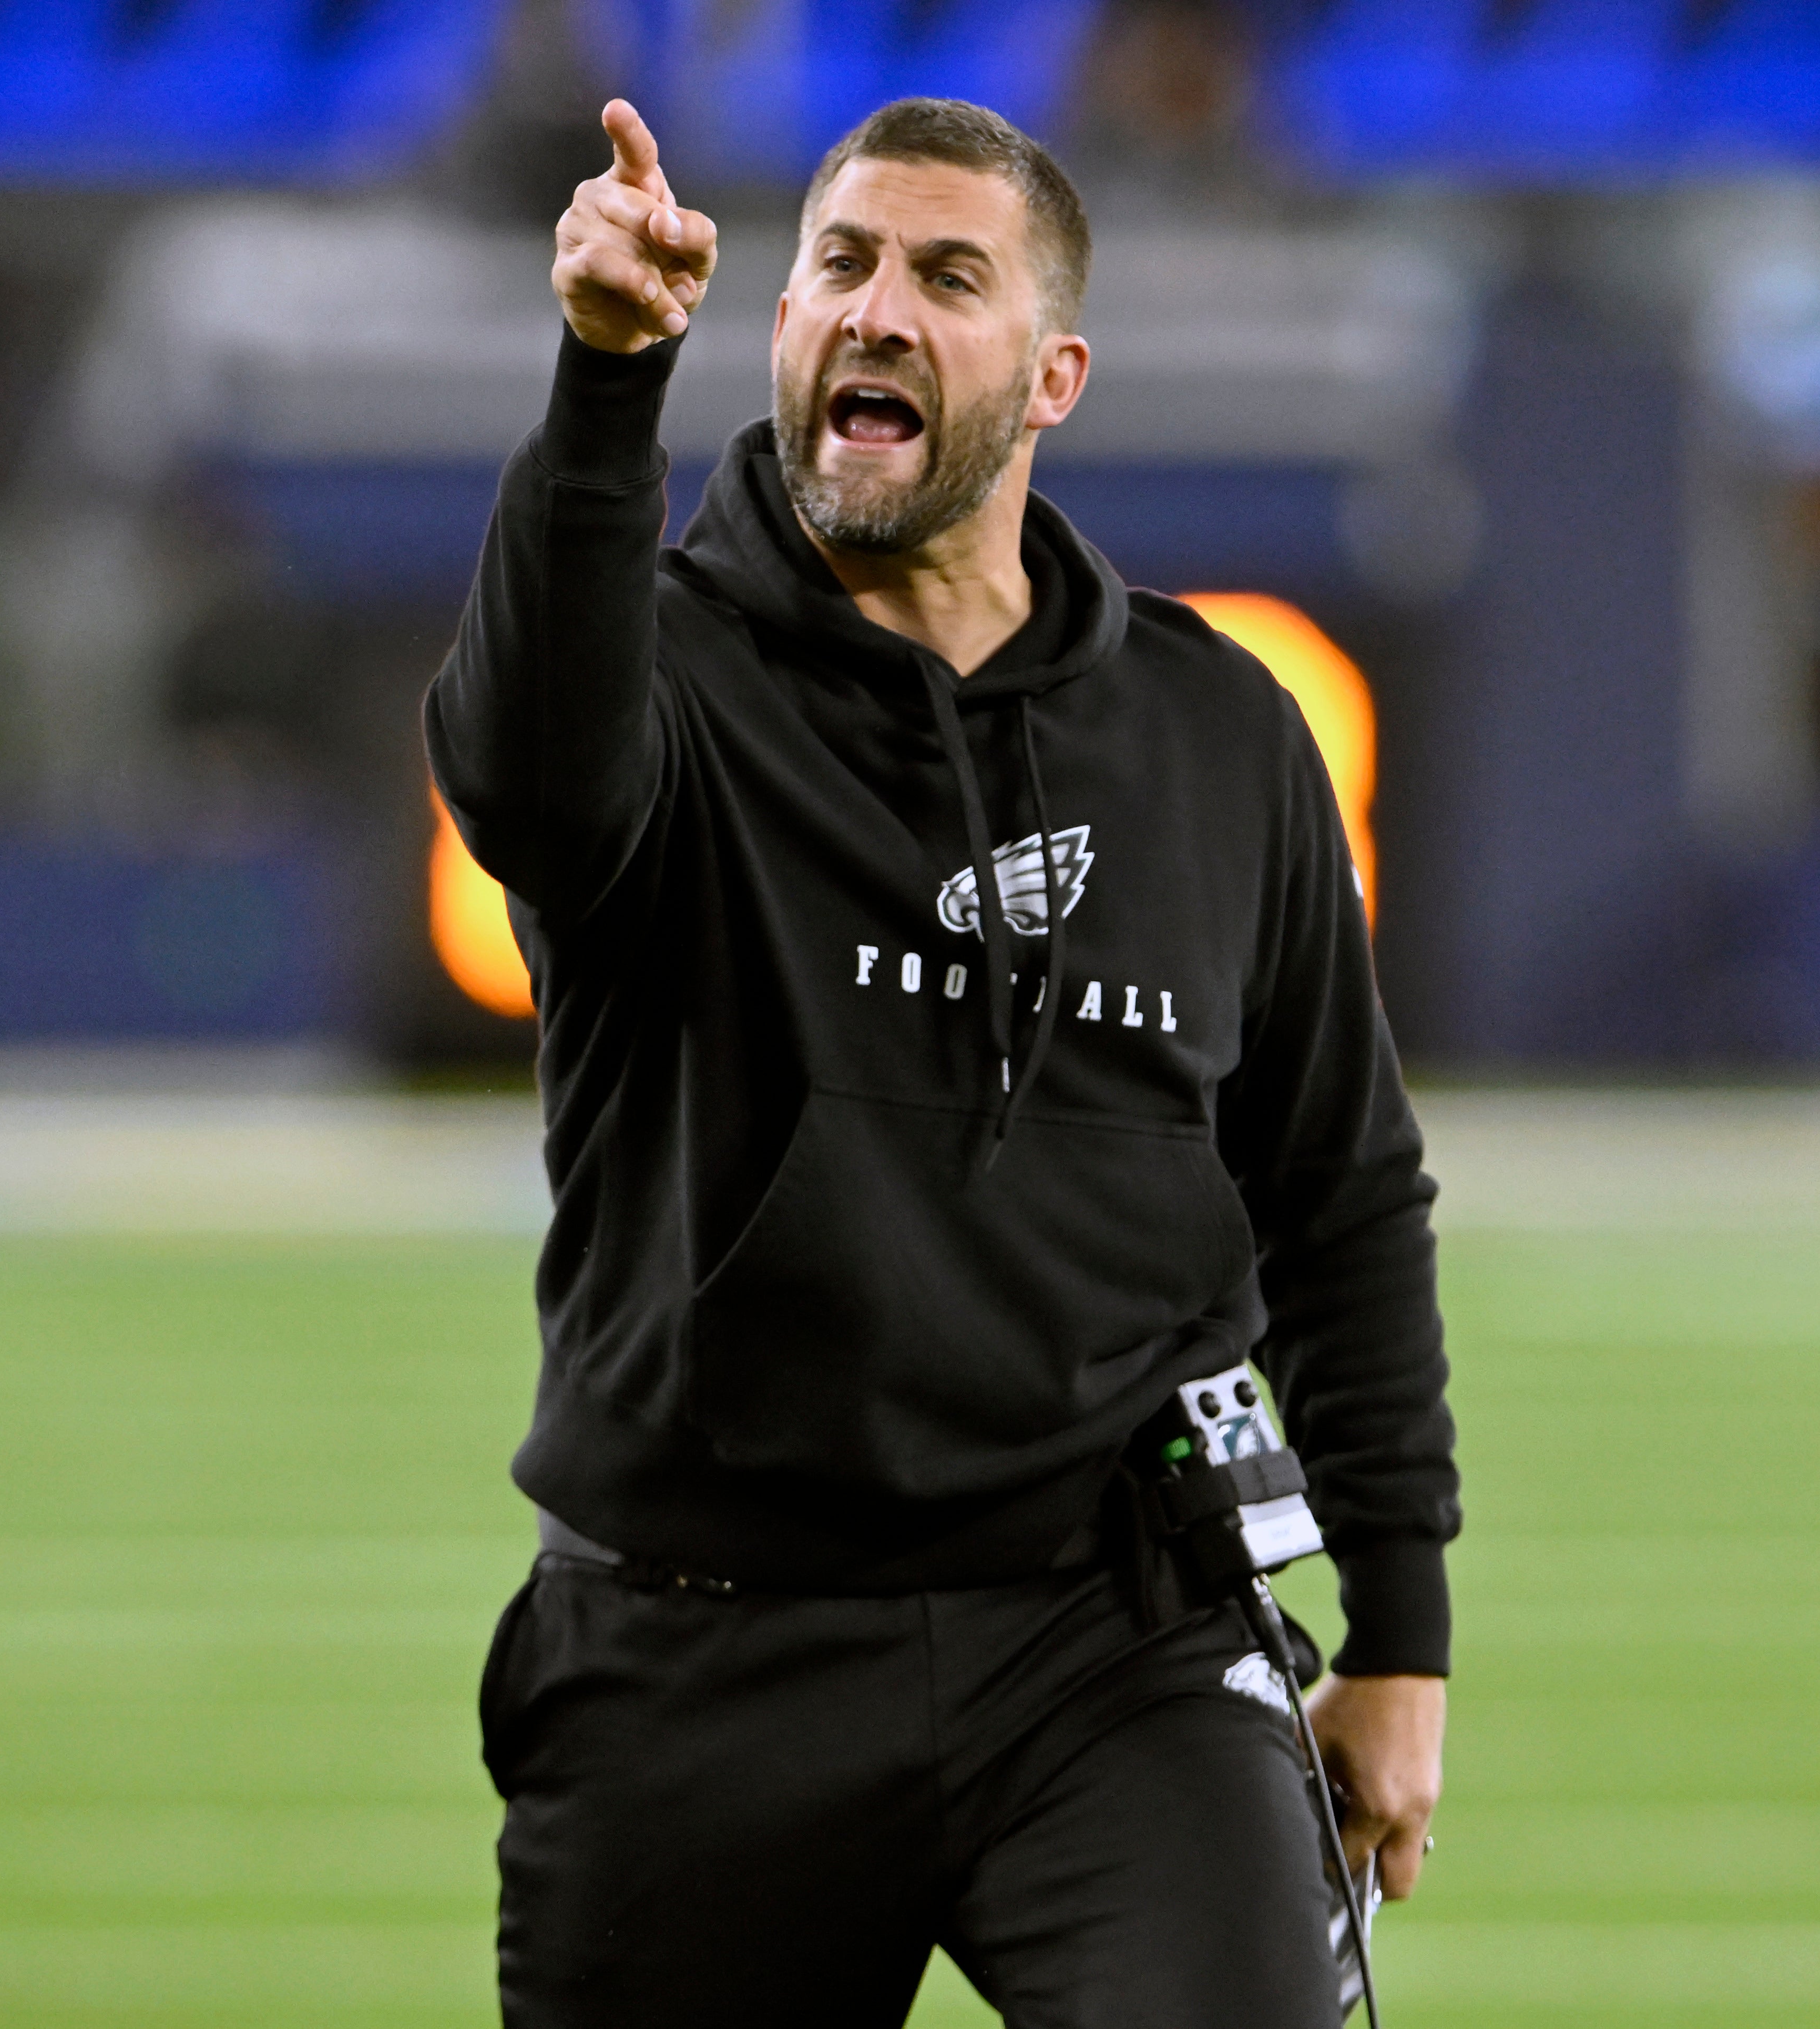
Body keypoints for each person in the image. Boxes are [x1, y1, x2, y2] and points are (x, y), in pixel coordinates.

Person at [426, 95, 1459, 2028]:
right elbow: (524, 783)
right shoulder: (665, 671)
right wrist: (599, 379)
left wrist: (1396, 1627)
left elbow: (1340, 1182)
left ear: (1053, 372)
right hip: (693, 1640)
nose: (876, 310)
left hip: (1115, 1641)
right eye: (841, 265)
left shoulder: (1216, 733)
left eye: (945, 276)